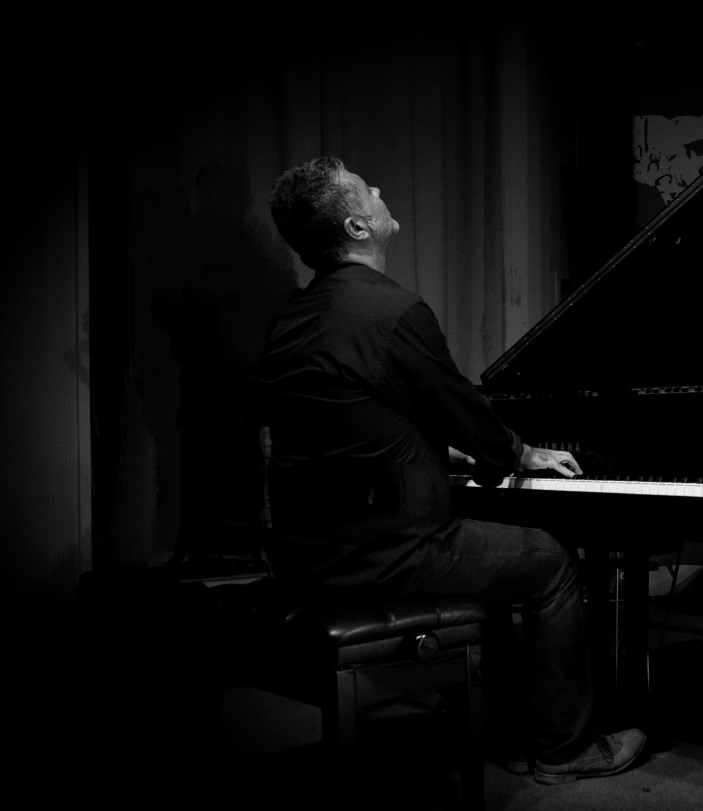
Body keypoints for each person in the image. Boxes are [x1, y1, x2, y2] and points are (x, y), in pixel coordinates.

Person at [256, 156, 646, 784]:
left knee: (498, 561)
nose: (378, 187)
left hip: (311, 554)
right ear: (357, 227)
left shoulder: (292, 320)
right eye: (365, 188)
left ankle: (510, 730)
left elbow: (352, 431)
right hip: (390, 552)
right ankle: (567, 749)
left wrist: (444, 453)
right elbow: (463, 411)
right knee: (550, 562)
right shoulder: (393, 311)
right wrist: (518, 452)